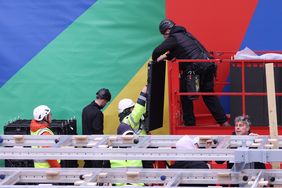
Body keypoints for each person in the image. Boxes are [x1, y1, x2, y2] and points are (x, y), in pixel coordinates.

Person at [152, 19, 230, 126]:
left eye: (164, 34)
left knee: (184, 94)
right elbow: (183, 51)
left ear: (168, 30)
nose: (165, 37)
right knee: (209, 96)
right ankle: (224, 122)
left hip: (195, 70)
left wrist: (155, 59)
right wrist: (166, 56)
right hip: (208, 66)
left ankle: (189, 124)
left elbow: (157, 51)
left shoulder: (174, 37)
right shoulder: (186, 35)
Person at [82, 88, 111, 168]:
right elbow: (98, 134)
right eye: (106, 102)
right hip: (95, 150)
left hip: (86, 147)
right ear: (104, 100)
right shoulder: (98, 113)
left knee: (87, 169)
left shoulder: (85, 109)